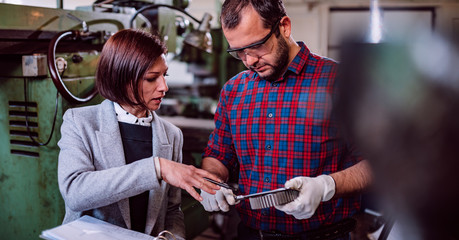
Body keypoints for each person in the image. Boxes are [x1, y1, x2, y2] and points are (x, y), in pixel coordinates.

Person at [199, 0, 372, 239]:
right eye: (239, 52)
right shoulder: (234, 90)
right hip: (251, 234)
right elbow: (218, 155)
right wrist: (212, 182)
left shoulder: (342, 81)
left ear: (284, 26)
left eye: (256, 46)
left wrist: (326, 187)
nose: (249, 61)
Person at [57, 29, 220, 240]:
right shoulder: (80, 123)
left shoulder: (172, 136)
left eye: (165, 75)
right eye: (152, 78)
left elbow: (172, 212)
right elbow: (75, 193)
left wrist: (174, 238)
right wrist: (156, 168)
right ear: (121, 79)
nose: (164, 87)